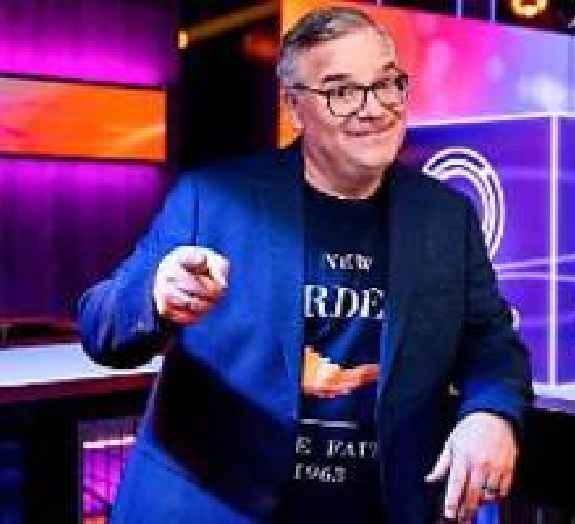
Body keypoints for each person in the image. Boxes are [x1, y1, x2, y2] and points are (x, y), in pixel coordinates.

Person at [78, 6, 532, 524]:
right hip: (212, 508)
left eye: (387, 83)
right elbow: (99, 326)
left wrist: (491, 413)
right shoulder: (216, 199)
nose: (374, 108)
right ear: (295, 106)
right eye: (342, 92)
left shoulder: (445, 217)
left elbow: (492, 342)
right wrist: (154, 295)